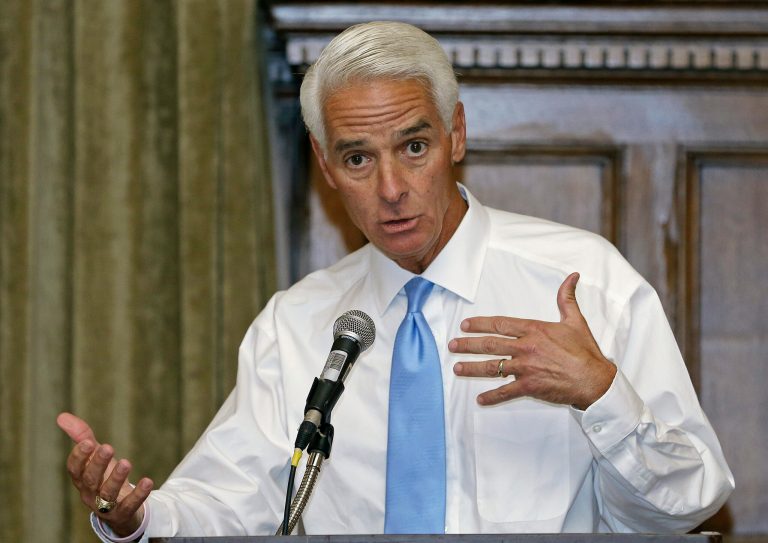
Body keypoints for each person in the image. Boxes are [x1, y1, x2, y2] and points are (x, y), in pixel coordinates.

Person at [57, 21, 734, 541]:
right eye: (358, 157)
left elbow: (688, 502)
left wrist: (602, 393)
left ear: (456, 133)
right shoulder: (298, 324)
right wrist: (137, 519)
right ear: (324, 164)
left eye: (414, 147)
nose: (391, 189)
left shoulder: (585, 283)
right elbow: (227, 501)